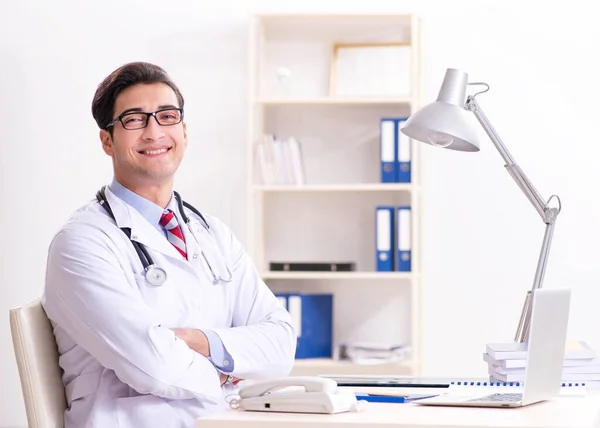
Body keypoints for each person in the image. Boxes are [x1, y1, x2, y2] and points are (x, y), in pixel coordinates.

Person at [42, 61, 297, 428]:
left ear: (184, 131)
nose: (153, 132)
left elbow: (281, 343)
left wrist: (204, 342)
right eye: (133, 119)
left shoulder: (212, 233)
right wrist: (232, 374)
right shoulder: (82, 244)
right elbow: (155, 368)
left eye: (166, 116)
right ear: (107, 140)